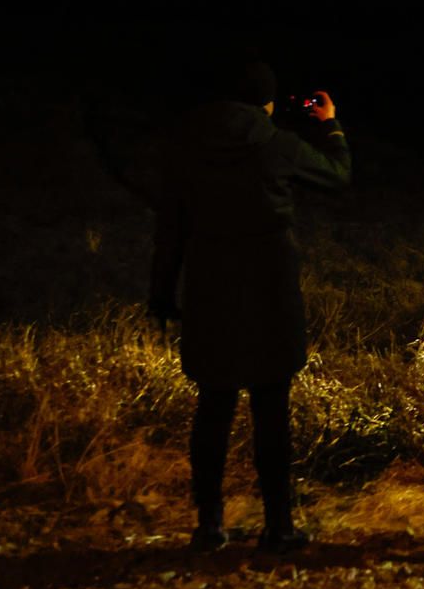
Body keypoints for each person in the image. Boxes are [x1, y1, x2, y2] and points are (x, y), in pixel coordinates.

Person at [149, 56, 351, 553]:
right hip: (269, 287)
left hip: (209, 287)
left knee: (213, 405)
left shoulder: (183, 147)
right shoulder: (276, 145)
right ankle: (278, 525)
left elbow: (170, 232)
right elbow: (337, 176)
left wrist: (161, 296)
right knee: (271, 406)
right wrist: (331, 127)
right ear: (264, 100)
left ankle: (209, 524)